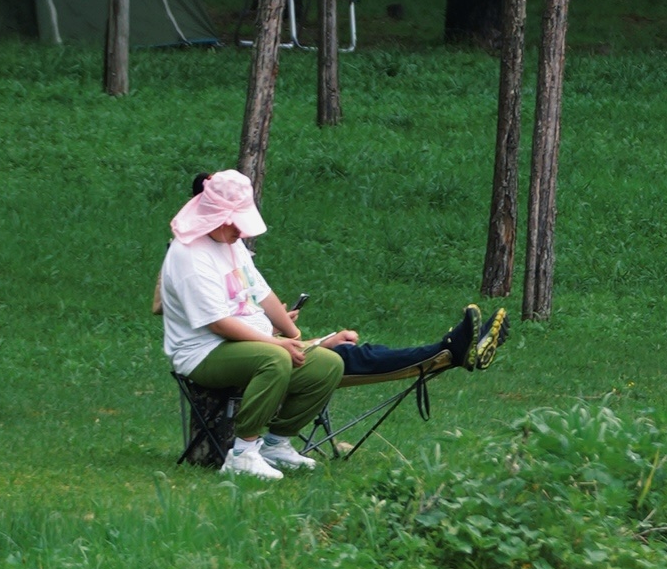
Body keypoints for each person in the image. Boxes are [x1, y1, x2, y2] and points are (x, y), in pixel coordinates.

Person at [157, 171, 506, 480]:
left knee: (329, 362)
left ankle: (275, 445)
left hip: (254, 343)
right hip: (204, 353)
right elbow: (218, 324)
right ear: (216, 217)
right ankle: (242, 453)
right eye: (235, 223)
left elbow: (264, 296)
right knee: (276, 359)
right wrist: (280, 345)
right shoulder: (189, 254)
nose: (240, 231)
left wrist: (295, 337)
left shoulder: (229, 245)